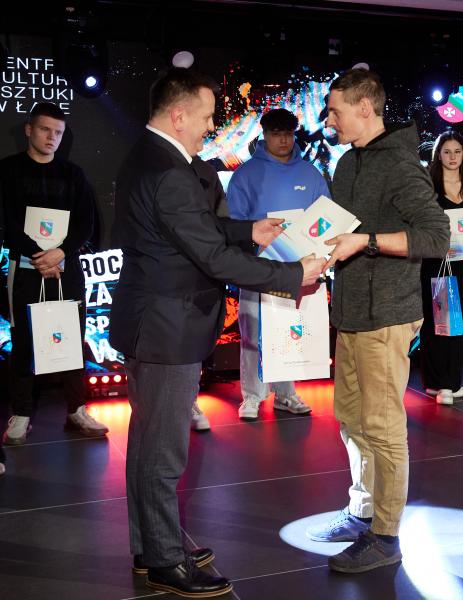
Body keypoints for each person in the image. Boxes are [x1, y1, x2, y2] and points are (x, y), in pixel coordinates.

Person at [110, 68, 324, 597]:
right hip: (166, 328)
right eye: (207, 117)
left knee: (149, 447)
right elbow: (210, 255)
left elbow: (196, 230)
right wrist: (292, 274)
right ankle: (166, 561)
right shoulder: (169, 171)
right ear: (179, 115)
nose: (211, 126)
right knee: (162, 455)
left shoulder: (152, 157)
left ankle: (152, 547)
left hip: (154, 323)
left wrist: (249, 230)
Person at [306, 68, 449, 573]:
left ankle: (386, 536)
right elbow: (337, 230)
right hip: (350, 313)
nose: (329, 120)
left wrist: (366, 242)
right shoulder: (348, 162)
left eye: (335, 110)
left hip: (386, 316)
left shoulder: (401, 165)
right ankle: (362, 511)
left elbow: (436, 237)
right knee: (351, 418)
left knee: (384, 427)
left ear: (365, 108)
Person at [0, 102, 109, 446]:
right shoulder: (7, 170)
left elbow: (86, 223)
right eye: (45, 129)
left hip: (66, 268)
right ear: (29, 130)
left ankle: (77, 410)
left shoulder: (73, 174)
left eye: (58, 132)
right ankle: (21, 414)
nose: (51, 137)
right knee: (22, 341)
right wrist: (39, 255)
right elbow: (6, 222)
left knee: (72, 338)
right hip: (25, 268)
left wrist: (60, 253)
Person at [227, 107, 331, 421]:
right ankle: (252, 396)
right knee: (253, 332)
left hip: (297, 268)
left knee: (290, 330)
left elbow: (325, 216)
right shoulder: (246, 174)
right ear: (265, 135)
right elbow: (235, 223)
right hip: (258, 266)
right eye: (276, 134)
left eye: (288, 134)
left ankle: (286, 393)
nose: (283, 140)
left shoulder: (310, 174)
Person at [420, 130, 463, 404]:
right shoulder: (428, 185)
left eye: (457, 152)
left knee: (456, 322)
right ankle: (439, 383)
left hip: (461, 265)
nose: (452, 157)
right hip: (434, 262)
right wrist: (435, 244)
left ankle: (449, 381)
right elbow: (418, 224)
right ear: (438, 155)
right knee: (436, 323)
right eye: (446, 152)